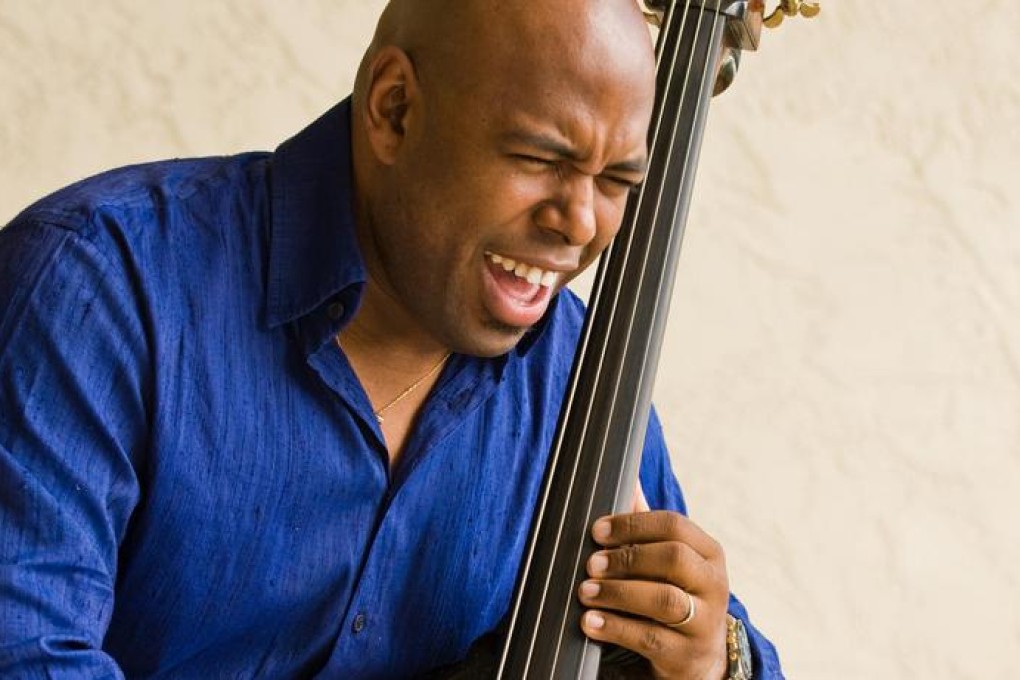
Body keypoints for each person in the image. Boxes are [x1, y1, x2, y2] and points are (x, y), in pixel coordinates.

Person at [0, 1, 782, 677]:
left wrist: (716, 658)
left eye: (616, 182)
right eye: (541, 158)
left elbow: (706, 638)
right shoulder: (100, 285)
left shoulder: (582, 380)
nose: (580, 224)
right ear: (395, 107)